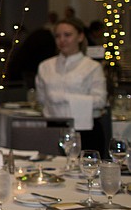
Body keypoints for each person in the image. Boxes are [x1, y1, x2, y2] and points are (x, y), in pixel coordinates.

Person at [36, 18, 108, 153]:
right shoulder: (45, 66)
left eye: (67, 35)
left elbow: (100, 101)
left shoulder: (92, 66)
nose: (62, 40)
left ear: (80, 37)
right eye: (58, 36)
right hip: (53, 128)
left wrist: (64, 97)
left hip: (86, 129)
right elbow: (41, 99)